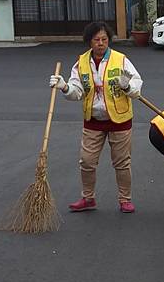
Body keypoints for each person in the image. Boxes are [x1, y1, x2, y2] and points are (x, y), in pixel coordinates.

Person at [49, 21, 142, 213]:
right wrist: (65, 87)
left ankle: (125, 199)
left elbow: (137, 86)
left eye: (104, 39)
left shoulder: (121, 59)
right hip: (93, 120)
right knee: (87, 161)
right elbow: (78, 92)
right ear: (89, 42)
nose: (101, 43)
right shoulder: (81, 63)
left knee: (122, 162)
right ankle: (88, 198)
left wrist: (128, 86)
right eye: (96, 40)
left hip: (120, 119)